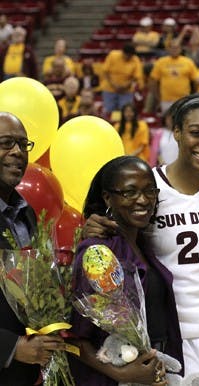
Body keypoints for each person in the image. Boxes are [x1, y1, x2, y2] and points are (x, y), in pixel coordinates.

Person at [84, 93, 199, 386]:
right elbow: (118, 238)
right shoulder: (149, 188)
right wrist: (92, 227)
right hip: (174, 333)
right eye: (196, 132)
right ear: (175, 132)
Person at [69, 156, 184, 385]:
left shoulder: (143, 244)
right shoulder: (98, 253)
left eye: (149, 191)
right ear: (107, 198)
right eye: (129, 192)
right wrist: (123, 374)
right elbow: (75, 339)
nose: (142, 200)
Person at [0, 112, 67, 385]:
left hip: (27, 372)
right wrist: (11, 347)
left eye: (22, 144)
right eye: (6, 143)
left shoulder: (27, 214)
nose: (17, 152)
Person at [148, 40, 197, 114]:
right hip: (166, 100)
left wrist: (192, 96)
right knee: (168, 123)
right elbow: (153, 81)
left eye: (177, 47)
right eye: (172, 47)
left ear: (180, 49)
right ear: (168, 49)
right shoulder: (161, 62)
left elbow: (195, 81)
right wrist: (158, 97)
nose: (174, 49)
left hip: (184, 99)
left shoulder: (188, 62)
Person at [100, 43, 144, 118]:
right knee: (108, 112)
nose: (128, 58)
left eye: (130, 56)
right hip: (109, 89)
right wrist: (114, 85)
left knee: (126, 113)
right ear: (122, 52)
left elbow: (136, 76)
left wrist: (126, 85)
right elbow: (106, 71)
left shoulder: (135, 59)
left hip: (126, 91)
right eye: (127, 55)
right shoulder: (113, 55)